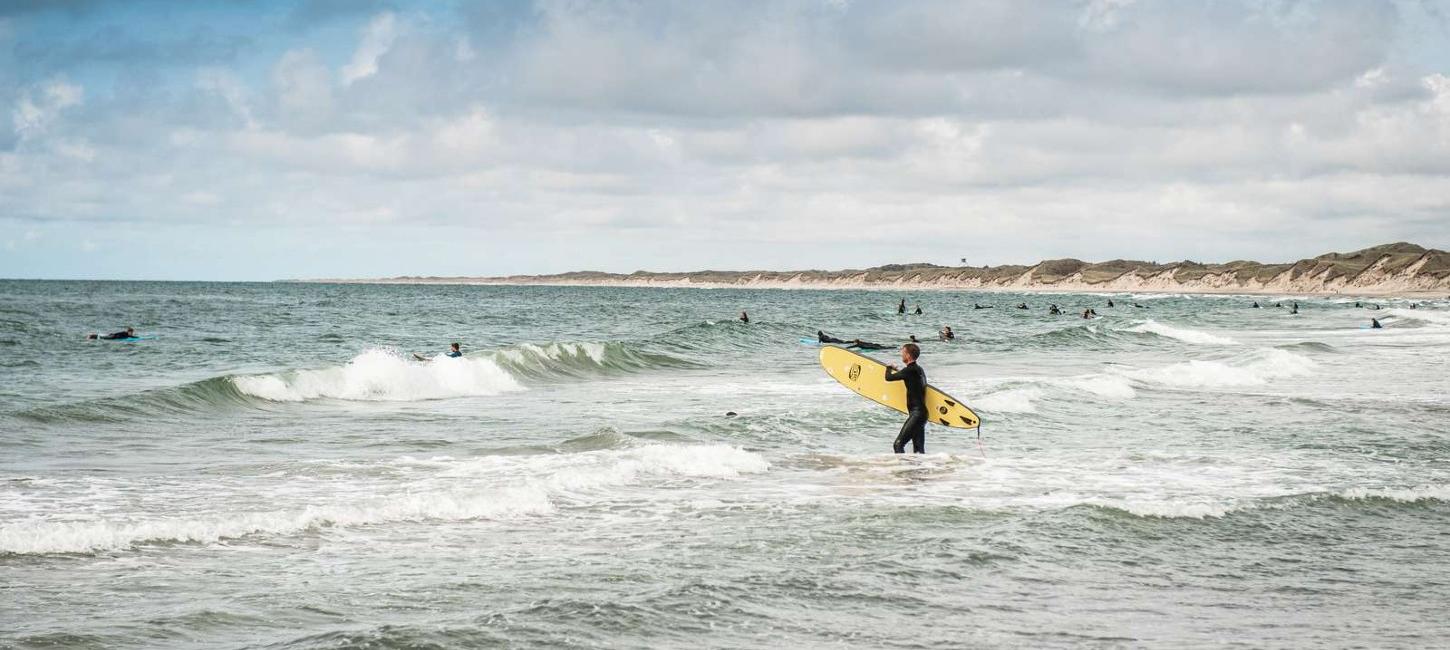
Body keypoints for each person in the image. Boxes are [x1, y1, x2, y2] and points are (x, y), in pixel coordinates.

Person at [885, 343, 927, 454]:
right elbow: (913, 380)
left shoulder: (909, 371)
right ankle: (918, 469)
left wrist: (889, 367)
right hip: (922, 414)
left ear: (908, 355)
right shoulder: (919, 370)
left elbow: (888, 378)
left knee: (898, 444)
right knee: (918, 450)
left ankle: (903, 470)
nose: (901, 355)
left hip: (917, 414)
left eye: (902, 352)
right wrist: (899, 370)